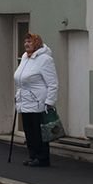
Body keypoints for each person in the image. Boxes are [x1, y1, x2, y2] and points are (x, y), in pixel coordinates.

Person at [14, 32, 59, 168]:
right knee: (29, 131)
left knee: (39, 132)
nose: (26, 44)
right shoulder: (25, 58)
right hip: (25, 100)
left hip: (39, 101)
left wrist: (49, 102)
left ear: (37, 43)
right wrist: (18, 95)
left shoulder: (45, 59)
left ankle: (42, 158)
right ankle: (33, 156)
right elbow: (21, 79)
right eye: (25, 42)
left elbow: (53, 83)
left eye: (30, 42)